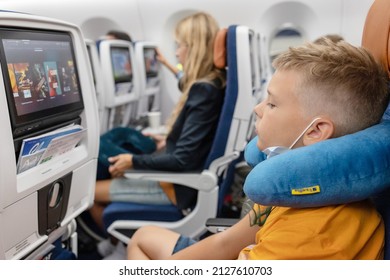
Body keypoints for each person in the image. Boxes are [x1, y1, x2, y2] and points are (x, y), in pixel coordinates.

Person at [127, 38, 388, 260]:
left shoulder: (316, 233)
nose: (257, 109)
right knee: (142, 237)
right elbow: (226, 243)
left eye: (272, 104)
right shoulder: (293, 185)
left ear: (315, 131)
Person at [91, 11, 226, 255]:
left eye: (180, 46)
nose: (176, 53)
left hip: (173, 186)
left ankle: (117, 251)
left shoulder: (204, 90)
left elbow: (182, 159)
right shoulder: (213, 83)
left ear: (193, 48)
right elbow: (187, 88)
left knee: (89, 193)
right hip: (176, 179)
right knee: (123, 141)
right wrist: (167, 139)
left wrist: (133, 161)